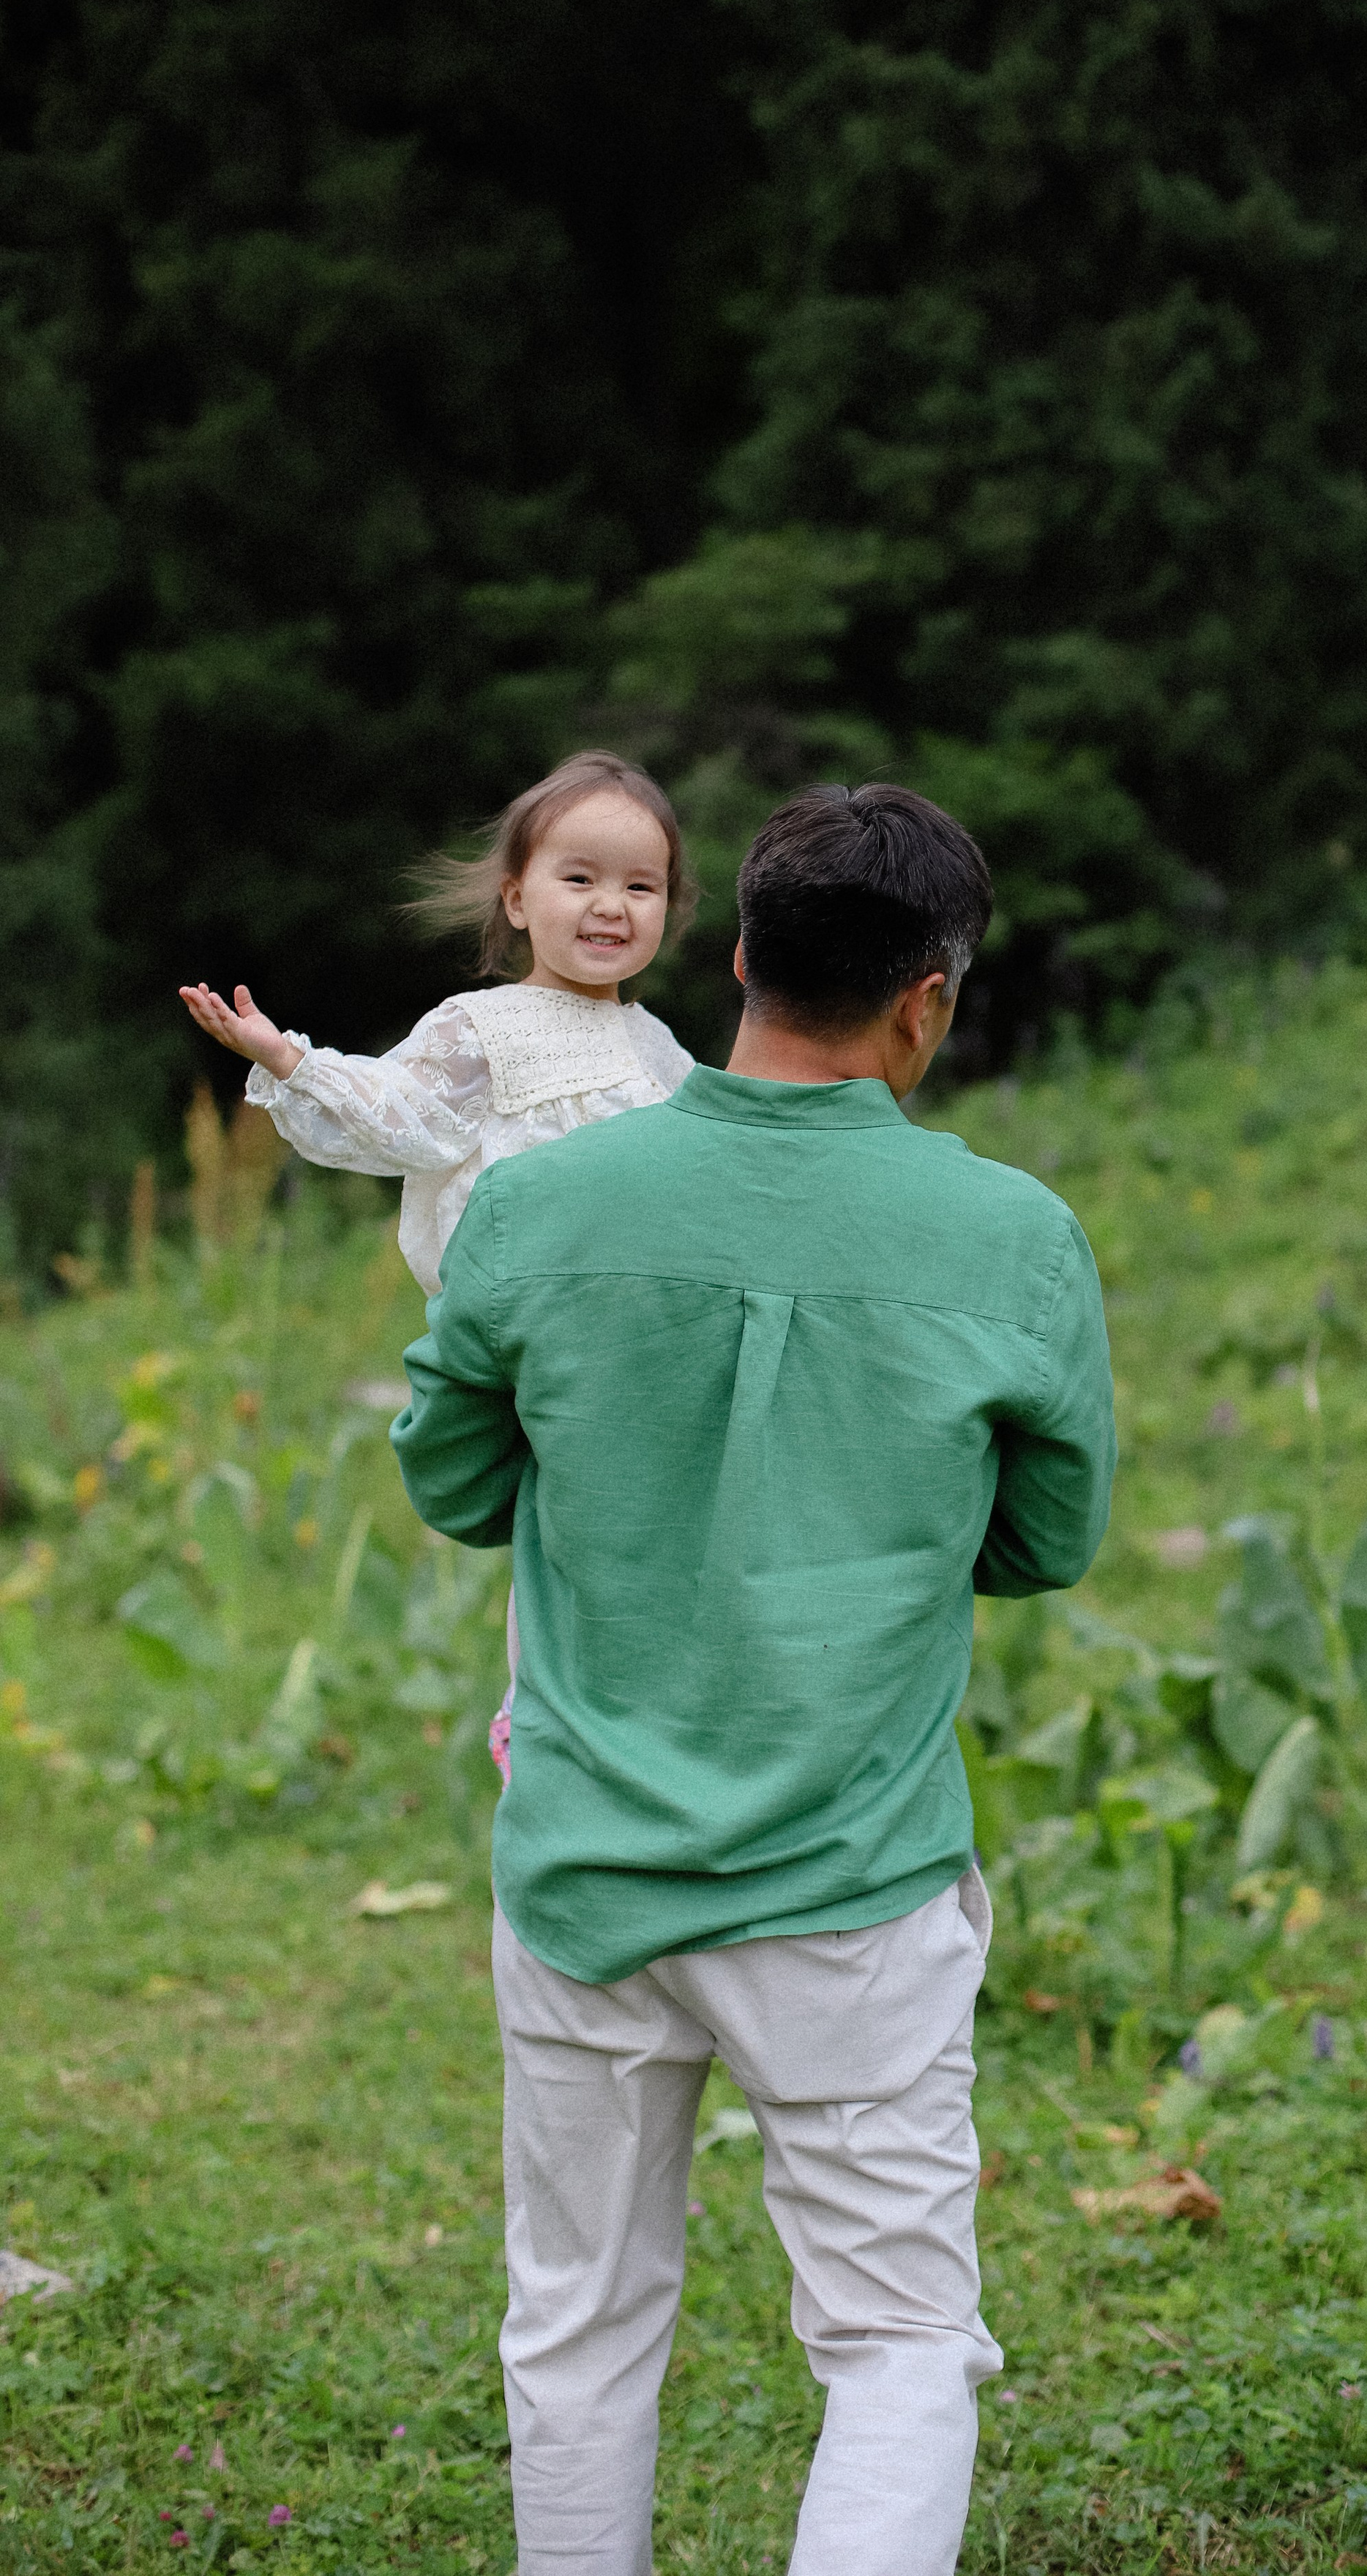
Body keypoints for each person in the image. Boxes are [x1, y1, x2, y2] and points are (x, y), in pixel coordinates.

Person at [392, 782, 1116, 2576]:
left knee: (574, 2324)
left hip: (581, 1871)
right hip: (852, 1895)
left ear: (730, 959)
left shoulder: (538, 1207)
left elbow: (458, 1484)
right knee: (894, 2345)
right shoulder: (1014, 1238)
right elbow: (1040, 1543)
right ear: (926, 1001)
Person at [178, 749, 697, 1778]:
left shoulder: (659, 1046)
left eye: (641, 886)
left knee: (639, 1540)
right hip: (532, 1335)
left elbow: (708, 1162)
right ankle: (541, 1726)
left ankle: (640, 1725)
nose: (610, 906)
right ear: (516, 896)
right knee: (566, 1535)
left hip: (639, 1339)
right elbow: (400, 1119)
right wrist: (291, 1060)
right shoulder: (484, 1027)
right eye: (580, 878)